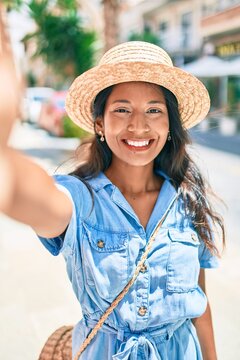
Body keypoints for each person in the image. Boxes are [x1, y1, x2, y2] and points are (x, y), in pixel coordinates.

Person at [0, 41, 225, 360]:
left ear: (169, 124)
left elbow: (199, 304)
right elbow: (25, 192)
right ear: (99, 124)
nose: (139, 125)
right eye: (122, 109)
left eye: (154, 110)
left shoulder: (188, 198)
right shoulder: (80, 199)